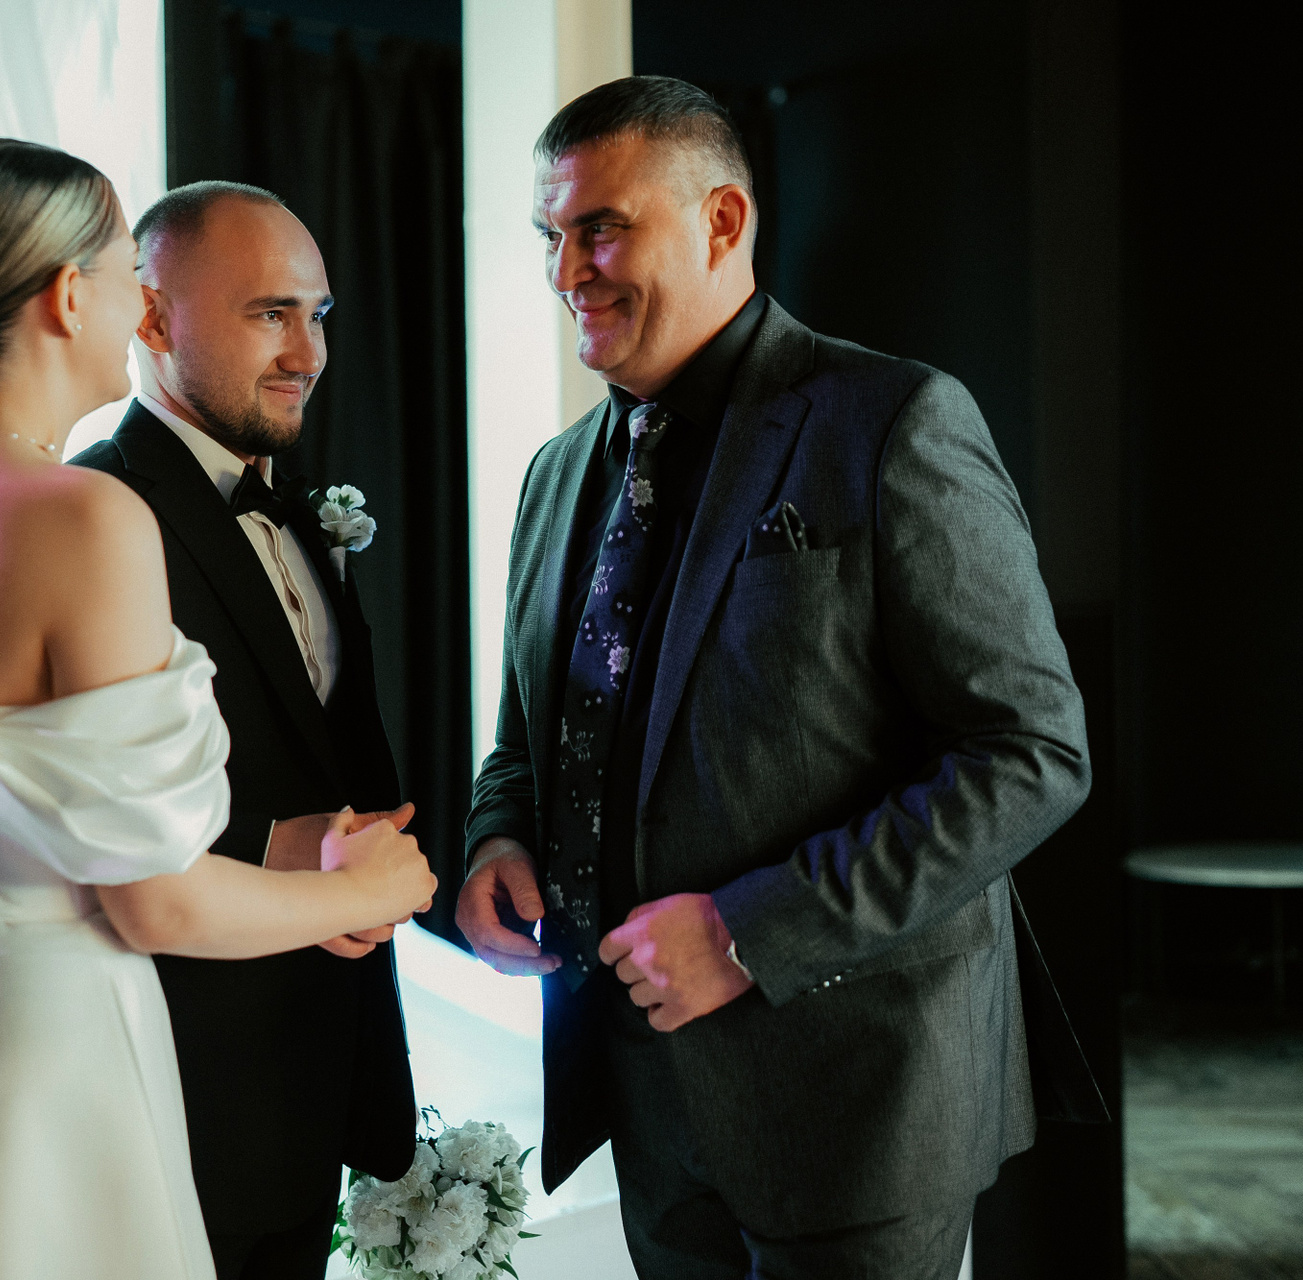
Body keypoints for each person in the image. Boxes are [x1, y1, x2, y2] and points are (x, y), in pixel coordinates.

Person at [0, 140, 435, 1280]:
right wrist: (368, 888)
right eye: (123, 274)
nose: (135, 304)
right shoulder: (84, 517)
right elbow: (154, 901)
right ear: (70, 296)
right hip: (31, 1067)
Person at [457, 77, 1103, 1278]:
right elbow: (531, 738)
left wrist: (752, 932)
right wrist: (499, 832)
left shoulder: (893, 420)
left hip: (860, 1097)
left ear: (723, 221)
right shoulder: (555, 474)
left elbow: (1033, 753)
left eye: (602, 228)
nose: (565, 270)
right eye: (550, 234)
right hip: (647, 1103)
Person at [71, 181, 420, 1280]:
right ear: (152, 313)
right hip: (181, 1096)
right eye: (271, 313)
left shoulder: (298, 509)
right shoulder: (89, 515)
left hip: (312, 1092)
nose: (308, 354)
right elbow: (67, 817)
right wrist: (277, 844)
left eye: (317, 316)